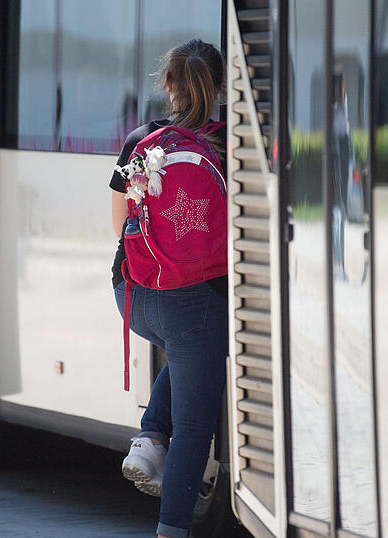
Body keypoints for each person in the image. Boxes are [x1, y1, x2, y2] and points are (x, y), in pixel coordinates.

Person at [109, 39, 227, 538]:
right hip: (195, 302)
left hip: (133, 297)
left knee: (188, 350)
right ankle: (171, 530)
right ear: (223, 88)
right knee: (197, 429)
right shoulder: (229, 146)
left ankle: (151, 435)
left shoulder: (142, 140)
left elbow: (120, 230)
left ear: (168, 84)